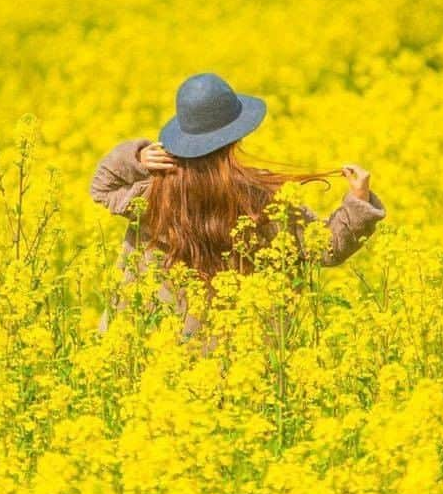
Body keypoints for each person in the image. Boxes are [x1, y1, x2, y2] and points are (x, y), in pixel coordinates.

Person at [90, 72, 386, 337]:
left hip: (146, 347)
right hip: (227, 359)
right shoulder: (260, 201)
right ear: (235, 138)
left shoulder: (153, 193)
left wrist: (137, 157)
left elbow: (102, 186)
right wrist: (358, 201)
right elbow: (327, 247)